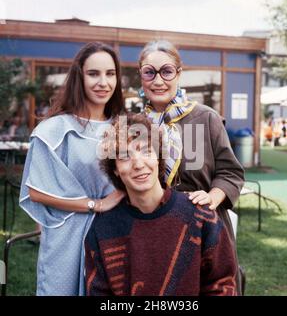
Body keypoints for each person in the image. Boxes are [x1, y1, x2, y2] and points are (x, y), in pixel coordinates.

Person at [85, 113, 238, 296]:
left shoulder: (199, 216)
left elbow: (222, 286)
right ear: (115, 170)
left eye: (146, 151)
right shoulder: (103, 229)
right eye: (125, 157)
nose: (138, 164)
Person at [138, 40, 245, 293]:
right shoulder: (135, 124)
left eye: (166, 71)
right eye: (149, 72)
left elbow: (231, 172)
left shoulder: (206, 117)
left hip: (203, 227)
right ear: (141, 76)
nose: (158, 80)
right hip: (152, 229)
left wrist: (211, 197)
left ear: (178, 73)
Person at [19, 42, 125, 295]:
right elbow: (36, 192)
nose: (103, 82)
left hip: (115, 235)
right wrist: (95, 204)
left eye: (110, 74)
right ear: (80, 76)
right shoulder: (54, 129)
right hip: (65, 239)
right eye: (93, 74)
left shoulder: (125, 128)